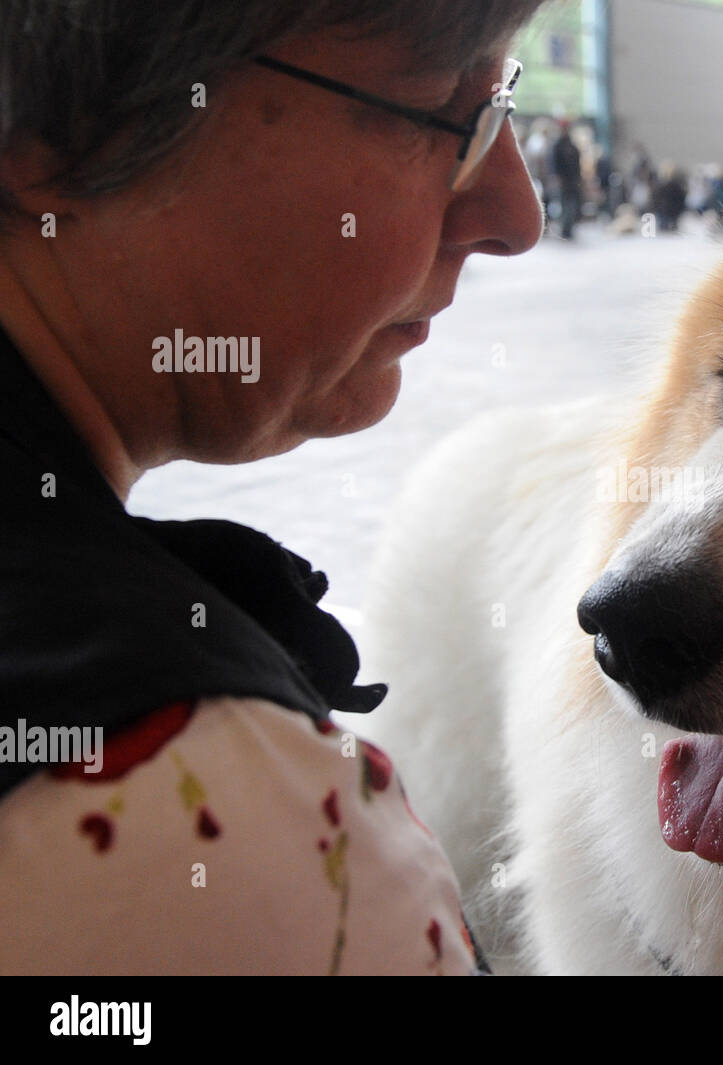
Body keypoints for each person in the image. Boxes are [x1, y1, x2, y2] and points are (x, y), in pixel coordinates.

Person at [0, 0, 545, 975]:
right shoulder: (199, 818)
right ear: (60, 128)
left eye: (504, 106)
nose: (514, 214)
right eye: (446, 115)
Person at [551, 120, 583, 240]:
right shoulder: (557, 146)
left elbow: (577, 164)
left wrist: (579, 179)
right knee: (564, 206)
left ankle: (569, 229)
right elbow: (553, 164)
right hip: (562, 182)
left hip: (573, 181)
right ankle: (564, 229)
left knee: (572, 206)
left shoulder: (572, 146)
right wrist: (556, 178)